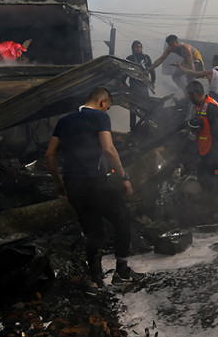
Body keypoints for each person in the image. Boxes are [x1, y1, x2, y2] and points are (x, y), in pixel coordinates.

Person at [45, 87, 145, 292]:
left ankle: (95, 280)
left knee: (93, 232)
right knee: (123, 219)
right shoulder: (99, 117)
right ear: (102, 103)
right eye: (107, 108)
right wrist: (123, 177)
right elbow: (108, 149)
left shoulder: (64, 121)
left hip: (73, 185)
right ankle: (122, 273)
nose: (106, 111)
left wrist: (58, 183)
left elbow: (49, 155)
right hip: (95, 182)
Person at [185, 80, 218, 197]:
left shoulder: (211, 108)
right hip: (206, 151)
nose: (188, 97)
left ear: (195, 94)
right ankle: (210, 204)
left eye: (189, 95)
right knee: (204, 178)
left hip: (217, 151)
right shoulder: (200, 106)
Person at [125, 40, 155, 131]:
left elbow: (152, 69)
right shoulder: (129, 58)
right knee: (132, 108)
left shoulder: (146, 58)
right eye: (136, 47)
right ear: (133, 48)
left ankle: (147, 127)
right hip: (133, 86)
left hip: (144, 86)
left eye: (139, 47)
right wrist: (122, 81)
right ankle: (132, 128)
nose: (138, 49)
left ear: (141, 48)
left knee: (146, 106)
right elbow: (125, 71)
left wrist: (153, 81)